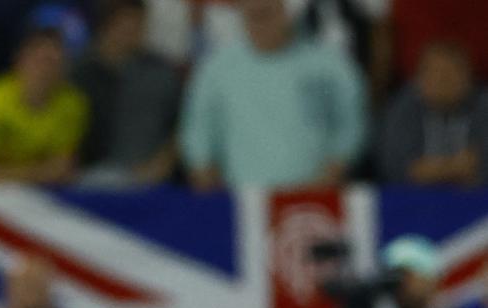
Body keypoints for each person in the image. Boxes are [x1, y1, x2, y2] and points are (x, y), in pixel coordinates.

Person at [181, 0, 366, 190]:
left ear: (288, 13)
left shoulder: (331, 66)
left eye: (266, 14)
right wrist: (211, 191)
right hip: (242, 202)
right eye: (252, 16)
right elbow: (198, 136)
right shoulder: (215, 70)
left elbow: (350, 128)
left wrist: (329, 177)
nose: (260, 23)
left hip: (316, 200)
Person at [0, 26, 88, 184]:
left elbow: (63, 170)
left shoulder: (73, 104)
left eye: (55, 63)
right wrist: (40, 171)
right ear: (20, 60)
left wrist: (1, 171)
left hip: (46, 193)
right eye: (41, 61)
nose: (45, 71)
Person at [73, 0, 180, 187]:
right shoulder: (78, 73)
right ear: (107, 25)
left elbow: (182, 127)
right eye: (124, 24)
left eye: (138, 24)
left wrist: (161, 165)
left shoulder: (161, 73)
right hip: (88, 179)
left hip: (150, 178)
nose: (131, 31)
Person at [377, 40, 488, 188]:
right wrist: (455, 168)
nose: (443, 81)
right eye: (435, 72)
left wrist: (431, 170)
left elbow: (481, 167)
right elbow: (394, 164)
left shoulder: (483, 106)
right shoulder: (403, 106)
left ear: (468, 76)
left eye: (451, 73)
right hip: (411, 201)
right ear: (419, 77)